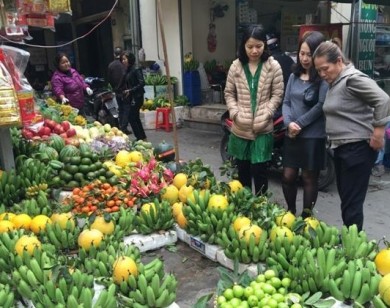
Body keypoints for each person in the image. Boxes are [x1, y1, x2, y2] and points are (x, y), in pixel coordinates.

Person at [313, 41, 390, 231]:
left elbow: (383, 99)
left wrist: (378, 132)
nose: (322, 74)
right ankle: (350, 238)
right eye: (319, 71)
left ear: (339, 61)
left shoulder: (352, 79)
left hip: (357, 149)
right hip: (343, 148)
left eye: (325, 68)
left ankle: (353, 248)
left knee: (352, 203)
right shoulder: (337, 81)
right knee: (347, 200)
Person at [224, 24, 284, 195]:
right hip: (240, 127)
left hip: (263, 128)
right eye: (250, 46)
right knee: (242, 171)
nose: (254, 51)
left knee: (260, 171)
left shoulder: (273, 67)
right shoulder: (236, 66)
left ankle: (260, 208)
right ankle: (245, 207)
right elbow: (229, 93)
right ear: (243, 46)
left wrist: (268, 112)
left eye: (259, 46)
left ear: (265, 45)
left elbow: (277, 94)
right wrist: (234, 112)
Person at [281, 31, 328, 218]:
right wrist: (288, 123)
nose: (305, 58)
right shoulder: (293, 76)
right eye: (302, 53)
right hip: (292, 134)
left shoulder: (323, 79)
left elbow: (321, 106)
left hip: (313, 136)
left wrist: (298, 124)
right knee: (287, 176)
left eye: (310, 54)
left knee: (309, 178)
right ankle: (290, 212)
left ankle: (306, 218)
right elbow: (286, 102)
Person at [117, 51, 147, 141]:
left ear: (129, 59)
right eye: (122, 59)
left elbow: (142, 83)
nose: (123, 61)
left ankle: (139, 137)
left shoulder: (136, 69)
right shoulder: (128, 69)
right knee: (135, 117)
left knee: (131, 117)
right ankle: (142, 137)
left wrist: (131, 90)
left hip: (137, 97)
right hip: (132, 96)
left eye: (124, 59)